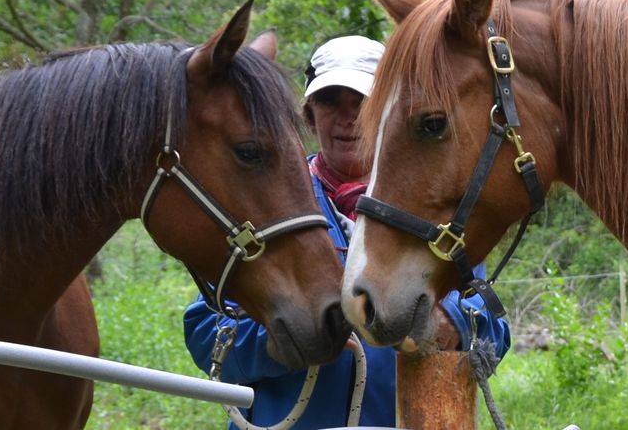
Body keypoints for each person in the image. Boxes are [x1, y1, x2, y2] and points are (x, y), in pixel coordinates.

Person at [184, 35, 510, 429]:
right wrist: (284, 337)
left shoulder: (431, 208)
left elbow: (492, 324)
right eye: (329, 101)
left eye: (362, 102)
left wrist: (447, 323)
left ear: (388, 115)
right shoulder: (263, 206)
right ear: (308, 115)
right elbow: (206, 332)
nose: (347, 117)